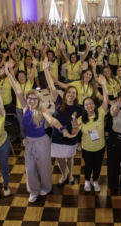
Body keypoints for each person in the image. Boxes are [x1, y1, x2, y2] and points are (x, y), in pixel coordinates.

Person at [5, 61, 74, 202]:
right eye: (29, 98)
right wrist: (8, 73)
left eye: (34, 99)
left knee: (44, 169)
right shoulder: (24, 107)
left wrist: (64, 130)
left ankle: (46, 188)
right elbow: (16, 89)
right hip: (29, 143)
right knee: (30, 169)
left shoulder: (42, 110)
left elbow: (53, 121)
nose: (31, 101)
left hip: (42, 142)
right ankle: (34, 190)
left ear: (38, 100)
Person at [43, 57, 83, 186]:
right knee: (60, 159)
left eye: (74, 93)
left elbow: (82, 124)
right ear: (65, 93)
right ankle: (64, 174)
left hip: (70, 136)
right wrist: (45, 70)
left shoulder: (79, 108)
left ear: (76, 96)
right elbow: (51, 86)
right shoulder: (59, 101)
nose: (71, 94)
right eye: (69, 92)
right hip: (57, 135)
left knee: (70, 157)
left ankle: (70, 173)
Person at [71, 74, 109, 192]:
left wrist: (103, 85)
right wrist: (74, 127)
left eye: (91, 103)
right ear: (84, 107)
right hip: (87, 148)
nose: (89, 105)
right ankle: (87, 180)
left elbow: (106, 99)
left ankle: (95, 180)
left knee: (98, 166)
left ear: (94, 105)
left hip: (100, 147)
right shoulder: (81, 119)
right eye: (86, 104)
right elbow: (74, 133)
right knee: (88, 166)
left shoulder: (100, 113)